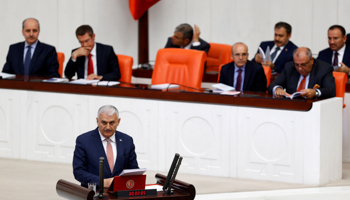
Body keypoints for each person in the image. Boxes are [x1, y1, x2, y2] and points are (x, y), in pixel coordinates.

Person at [73, 105, 139, 188]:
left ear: (118, 121)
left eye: (112, 123)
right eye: (104, 123)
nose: (108, 127)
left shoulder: (127, 141)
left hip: (120, 193)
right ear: (97, 121)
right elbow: (78, 171)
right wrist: (102, 182)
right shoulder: (83, 141)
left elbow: (133, 170)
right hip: (94, 193)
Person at [267, 47, 336, 99]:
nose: (300, 68)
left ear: (311, 60)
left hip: (313, 108)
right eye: (297, 65)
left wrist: (315, 92)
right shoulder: (289, 67)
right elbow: (272, 85)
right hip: (292, 107)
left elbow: (331, 90)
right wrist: (277, 88)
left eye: (303, 65)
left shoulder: (324, 68)